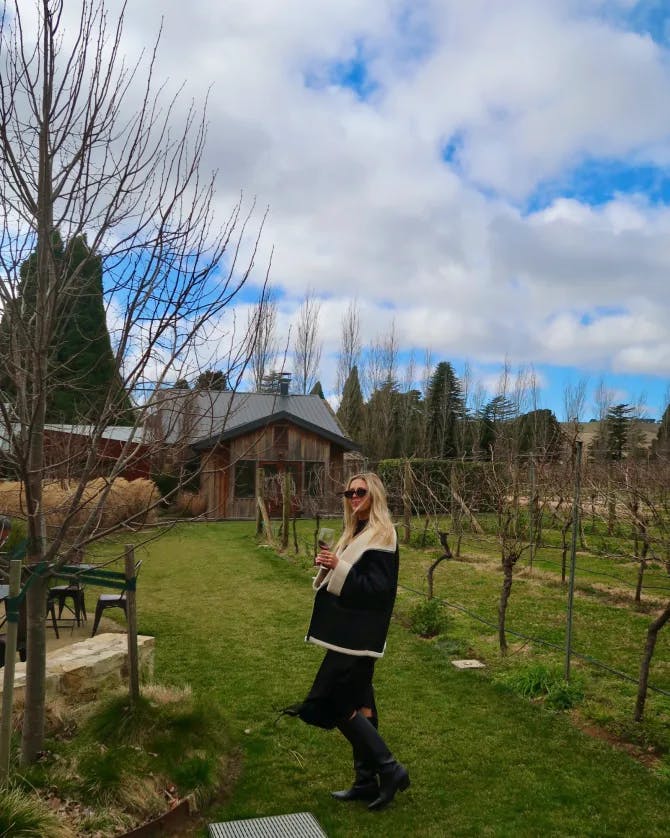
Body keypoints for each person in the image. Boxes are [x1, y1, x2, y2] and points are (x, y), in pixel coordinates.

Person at [284, 472, 410, 811]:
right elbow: (346, 577)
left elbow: (377, 591)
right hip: (347, 634)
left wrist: (339, 565)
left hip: (358, 637)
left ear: (375, 496)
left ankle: (390, 768)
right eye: (349, 492)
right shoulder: (356, 530)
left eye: (360, 492)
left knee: (334, 702)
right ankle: (366, 781)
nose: (353, 497)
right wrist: (328, 567)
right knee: (362, 705)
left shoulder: (383, 535)